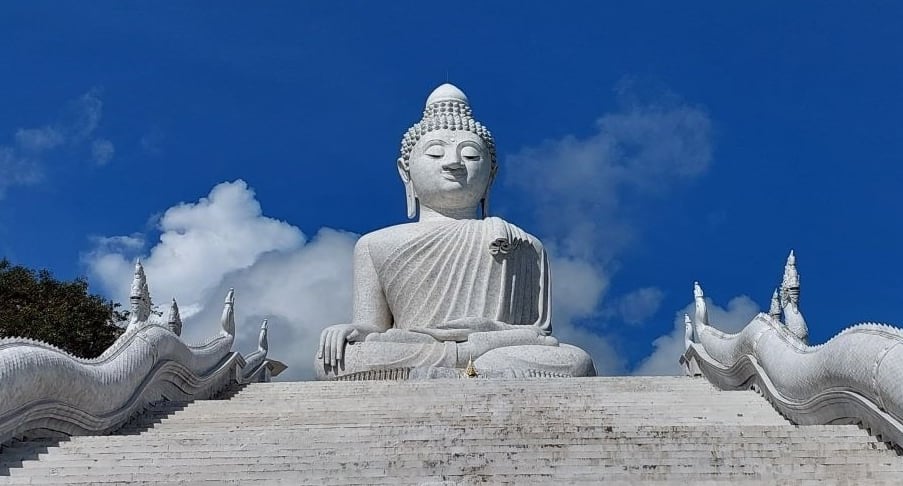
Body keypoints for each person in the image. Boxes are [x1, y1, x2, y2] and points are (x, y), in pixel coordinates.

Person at [315, 84, 595, 379]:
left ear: (492, 174)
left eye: (471, 156)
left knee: (576, 361)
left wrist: (487, 337)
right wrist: (351, 331)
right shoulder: (375, 244)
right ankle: (469, 369)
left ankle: (452, 371)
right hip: (417, 348)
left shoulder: (524, 244)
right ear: (405, 171)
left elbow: (536, 335)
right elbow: (373, 327)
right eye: (435, 153)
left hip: (495, 349)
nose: (453, 164)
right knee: (335, 360)